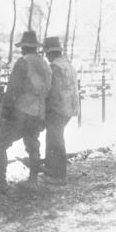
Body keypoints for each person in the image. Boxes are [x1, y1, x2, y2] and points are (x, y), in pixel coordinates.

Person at [0, 31, 52, 194]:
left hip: (22, 111)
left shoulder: (23, 63)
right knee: (32, 145)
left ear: (25, 48)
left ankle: (1, 182)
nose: (21, 51)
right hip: (38, 111)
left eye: (22, 48)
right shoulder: (45, 65)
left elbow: (13, 89)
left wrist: (6, 110)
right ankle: (33, 180)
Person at [41, 37, 79, 186]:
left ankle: (59, 175)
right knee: (54, 138)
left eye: (47, 53)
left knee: (55, 140)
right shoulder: (68, 64)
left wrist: (45, 108)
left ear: (51, 53)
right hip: (70, 108)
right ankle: (52, 169)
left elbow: (53, 91)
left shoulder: (55, 67)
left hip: (58, 108)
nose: (46, 56)